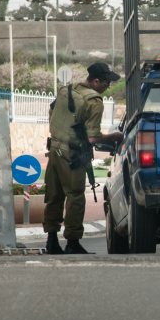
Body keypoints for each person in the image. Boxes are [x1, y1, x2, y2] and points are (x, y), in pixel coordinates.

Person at [43, 62, 123, 254]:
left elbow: (51, 112)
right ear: (96, 81)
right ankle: (72, 243)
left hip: (54, 149)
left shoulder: (66, 90)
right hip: (72, 155)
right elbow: (93, 138)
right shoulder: (94, 102)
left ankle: (52, 241)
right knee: (75, 197)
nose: (107, 87)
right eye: (105, 83)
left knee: (54, 196)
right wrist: (114, 136)